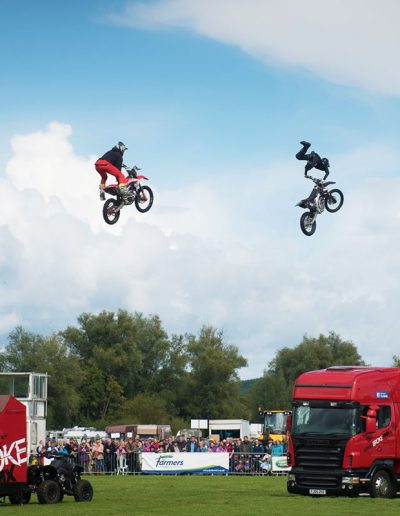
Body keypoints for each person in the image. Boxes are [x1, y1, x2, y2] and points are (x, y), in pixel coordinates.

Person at [296, 141, 330, 208]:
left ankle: (306, 146)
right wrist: (323, 180)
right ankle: (309, 150)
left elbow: (307, 167)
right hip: (314, 158)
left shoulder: (324, 166)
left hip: (312, 158)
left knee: (298, 157)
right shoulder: (322, 163)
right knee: (312, 164)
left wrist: (305, 174)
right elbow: (327, 172)